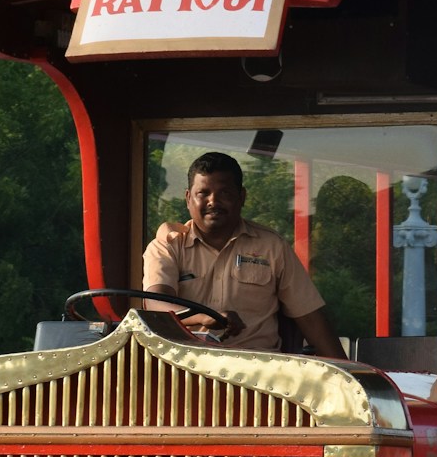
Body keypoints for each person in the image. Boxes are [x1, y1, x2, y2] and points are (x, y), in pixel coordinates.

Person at [143, 152, 347, 358]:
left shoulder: (272, 246)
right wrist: (202, 316)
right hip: (186, 370)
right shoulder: (168, 245)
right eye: (203, 193)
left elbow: (311, 318)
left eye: (224, 193)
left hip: (257, 373)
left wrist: (349, 377)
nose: (213, 201)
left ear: (241, 197)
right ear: (188, 198)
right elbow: (156, 304)